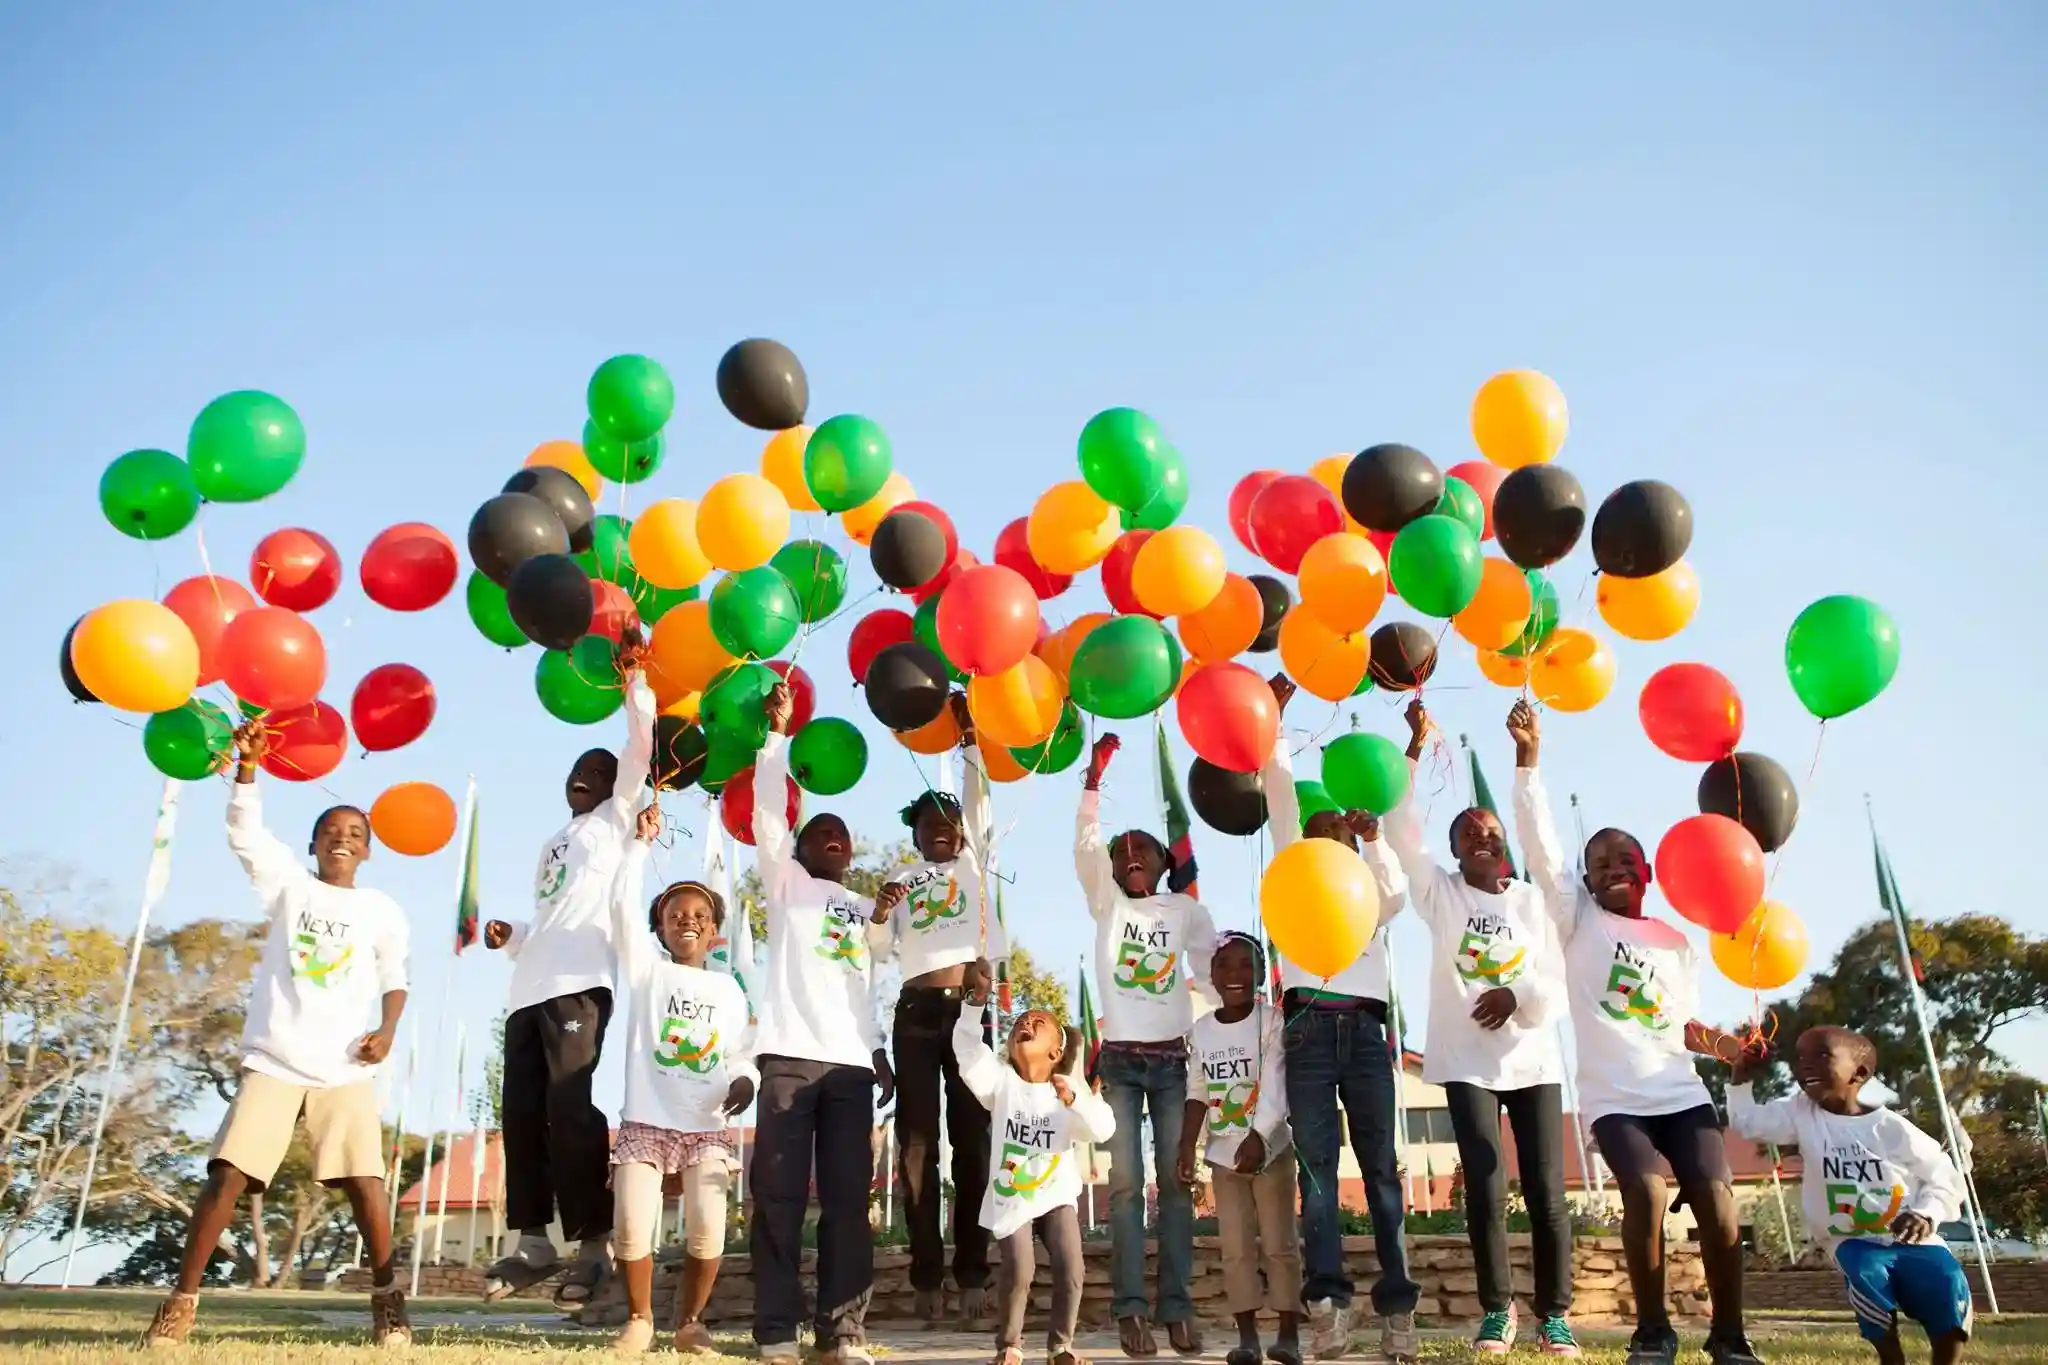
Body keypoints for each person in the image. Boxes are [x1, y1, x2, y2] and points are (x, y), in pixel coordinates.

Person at [1508, 701, 1764, 1365]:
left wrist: (1728, 1049)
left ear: (1648, 869)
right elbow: (1540, 846)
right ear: (1586, 880)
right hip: (1616, 1100)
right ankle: (1652, 1331)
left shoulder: (1676, 940)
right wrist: (1529, 759)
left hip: (1680, 1091)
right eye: (1600, 861)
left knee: (1716, 1195)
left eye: (1627, 857)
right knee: (1646, 1188)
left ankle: (1730, 1337)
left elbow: (1682, 1024)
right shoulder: (1577, 921)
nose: (1613, 866)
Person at [145, 723, 411, 1349]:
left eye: (355, 835)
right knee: (228, 1176)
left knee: (365, 1182)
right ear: (314, 843)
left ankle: (387, 1300)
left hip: (345, 1064)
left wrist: (388, 1029)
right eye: (332, 832)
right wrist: (246, 770)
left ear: (368, 851)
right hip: (278, 1056)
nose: (342, 840)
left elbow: (394, 977)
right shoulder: (291, 887)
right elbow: (244, 835)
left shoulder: (381, 909)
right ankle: (180, 1303)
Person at [1386, 699, 1578, 1358]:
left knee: (1548, 1194)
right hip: (1467, 1062)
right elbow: (1398, 827)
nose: (1483, 839)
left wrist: (1514, 992)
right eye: (1469, 833)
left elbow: (1554, 983)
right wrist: (1413, 747)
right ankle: (1499, 1309)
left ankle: (1556, 1314)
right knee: (1487, 1188)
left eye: (1491, 832)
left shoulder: (1532, 902)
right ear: (1454, 850)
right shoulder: (1440, 895)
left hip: (1534, 1062)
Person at [481, 635, 655, 1304]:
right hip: (528, 986)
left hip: (581, 983)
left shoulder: (615, 820)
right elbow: (548, 918)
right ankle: (531, 1238)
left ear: (618, 787)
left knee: (568, 1105)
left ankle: (592, 1239)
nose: (586, 773)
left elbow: (639, 745)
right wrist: (512, 935)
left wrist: (634, 680)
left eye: (600, 768)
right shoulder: (555, 840)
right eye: (578, 767)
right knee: (521, 1111)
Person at [1260, 676, 1416, 1363]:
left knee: (1380, 1168)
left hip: (1365, 1031)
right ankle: (1329, 1305)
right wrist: (1275, 723)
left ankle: (1398, 1309)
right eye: (1319, 829)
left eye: (1340, 832)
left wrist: (1374, 840)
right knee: (1317, 1173)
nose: (1330, 837)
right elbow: (1279, 796)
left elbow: (1398, 895)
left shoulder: (1369, 887)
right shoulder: (1294, 867)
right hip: (1308, 1030)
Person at [750, 679, 896, 1365]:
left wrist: (878, 1051)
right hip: (786, 1056)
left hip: (849, 1068)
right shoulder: (786, 885)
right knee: (778, 1197)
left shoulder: (864, 905)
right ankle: (777, 1329)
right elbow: (768, 816)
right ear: (800, 849)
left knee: (846, 1203)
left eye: (842, 833)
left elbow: (866, 982)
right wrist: (776, 736)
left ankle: (842, 1334)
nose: (834, 836)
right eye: (820, 831)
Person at [1075, 731, 1217, 1358]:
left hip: (1175, 1063)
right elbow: (1084, 847)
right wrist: (1093, 781)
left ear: (1163, 862)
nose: (1131, 855)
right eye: (1121, 851)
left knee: (1177, 1181)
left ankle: (1177, 1308)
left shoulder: (1183, 910)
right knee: (1128, 1185)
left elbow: (1214, 969)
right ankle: (1131, 1310)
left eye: (1143, 849)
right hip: (1125, 1063)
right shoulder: (1105, 903)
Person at [606, 803, 758, 1354]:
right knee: (630, 1223)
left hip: (706, 1125)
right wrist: (638, 846)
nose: (687, 920)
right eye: (675, 914)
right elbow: (621, 907)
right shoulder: (647, 972)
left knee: (706, 1228)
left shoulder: (729, 991)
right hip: (647, 1120)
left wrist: (746, 1082)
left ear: (714, 929)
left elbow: (742, 1053)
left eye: (699, 914)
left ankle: (690, 1323)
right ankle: (640, 1319)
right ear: (660, 928)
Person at [1730, 1028, 1970, 1365]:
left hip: (1913, 1238)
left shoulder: (1890, 1127)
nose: (1805, 1067)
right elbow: (1747, 1123)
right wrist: (1741, 1076)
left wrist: (1926, 1213)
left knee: (1948, 1284)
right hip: (1851, 1239)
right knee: (1867, 1275)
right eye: (1801, 1058)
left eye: (1822, 1056)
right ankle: (1892, 1359)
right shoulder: (1800, 1113)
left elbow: (1943, 1175)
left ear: (1859, 1073)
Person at [877, 693, 1005, 1324]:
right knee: (916, 1146)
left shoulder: (976, 866)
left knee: (973, 1144)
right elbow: (876, 949)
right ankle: (927, 1272)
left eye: (949, 821)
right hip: (914, 1015)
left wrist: (969, 740)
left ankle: (973, 1271)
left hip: (967, 1016)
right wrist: (879, 910)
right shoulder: (901, 877)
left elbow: (978, 800)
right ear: (915, 834)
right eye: (929, 824)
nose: (941, 829)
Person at [954, 957, 1114, 1365]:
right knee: (1019, 1268)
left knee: (1070, 1268)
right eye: (1021, 1021)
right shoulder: (1000, 1083)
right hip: (1013, 1194)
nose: (1025, 1023)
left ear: (1056, 1051)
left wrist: (1078, 1098)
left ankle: (1061, 1346)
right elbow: (969, 1052)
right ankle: (1009, 1345)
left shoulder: (1067, 1091)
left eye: (1038, 1022)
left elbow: (1102, 1129)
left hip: (1057, 1194)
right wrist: (974, 1002)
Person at [1175, 931, 1301, 1365]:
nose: (1235, 975)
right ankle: (1247, 1338)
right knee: (1236, 1247)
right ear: (1211, 975)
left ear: (1262, 973)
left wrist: (1259, 1137)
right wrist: (1187, 1146)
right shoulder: (1202, 1031)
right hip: (1224, 1159)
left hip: (1272, 1153)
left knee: (1281, 1244)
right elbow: (1197, 1090)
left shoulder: (1272, 1021)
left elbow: (1276, 1083)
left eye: (1246, 965)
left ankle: (1288, 1335)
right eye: (1225, 966)